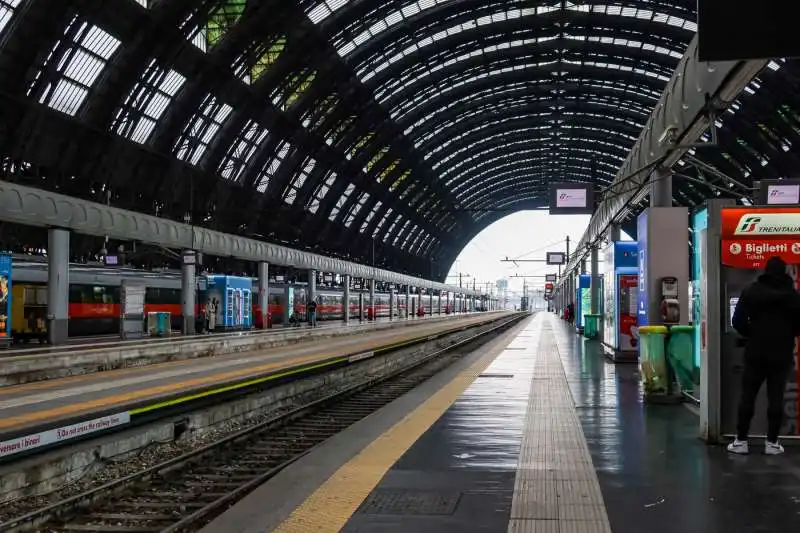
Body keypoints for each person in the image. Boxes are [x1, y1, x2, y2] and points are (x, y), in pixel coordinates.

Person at [728, 256, 800, 455]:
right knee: (776, 396)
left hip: (756, 351)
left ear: (765, 271)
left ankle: (741, 441)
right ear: (784, 272)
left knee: (748, 396)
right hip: (782, 353)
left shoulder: (752, 291)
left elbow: (737, 321)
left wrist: (753, 334)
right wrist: (786, 334)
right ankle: (772, 443)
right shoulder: (793, 296)